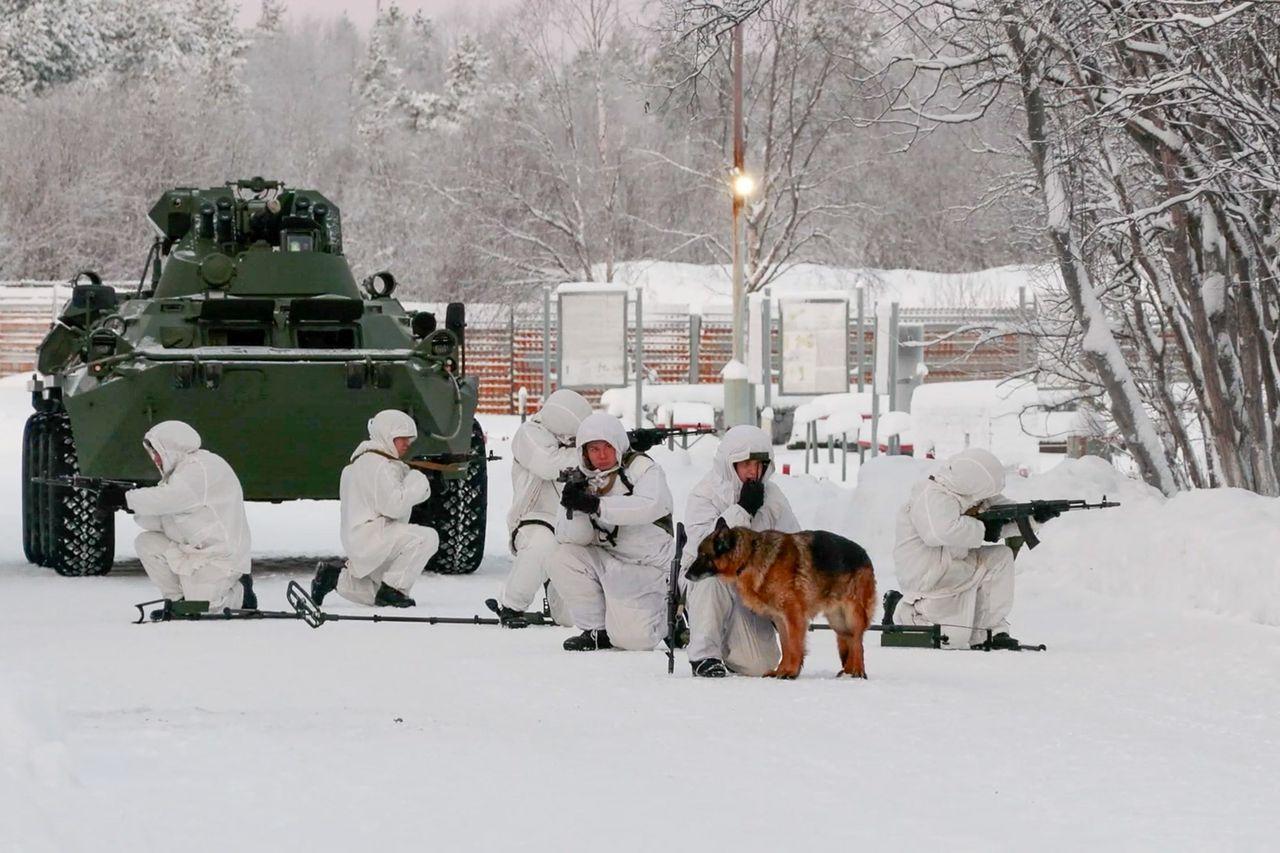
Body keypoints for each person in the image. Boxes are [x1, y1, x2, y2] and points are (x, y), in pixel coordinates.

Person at [885, 448, 1055, 649]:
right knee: (951, 640)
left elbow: (1004, 519)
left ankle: (992, 631)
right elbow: (939, 532)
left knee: (1001, 557)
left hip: (957, 568)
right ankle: (900, 610)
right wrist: (984, 530)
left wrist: (1034, 518)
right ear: (974, 482)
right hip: (928, 580)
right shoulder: (930, 495)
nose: (990, 497)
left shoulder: (978, 495)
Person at [547, 413, 675, 651]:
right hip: (608, 562)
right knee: (561, 557)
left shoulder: (642, 468)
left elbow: (650, 505)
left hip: (648, 569)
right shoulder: (582, 478)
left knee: (634, 640)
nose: (602, 455)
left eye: (608, 446)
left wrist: (597, 506)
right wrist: (573, 507)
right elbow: (570, 537)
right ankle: (597, 630)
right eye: (594, 449)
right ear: (584, 452)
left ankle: (672, 617)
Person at [680, 425, 800, 677]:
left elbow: (793, 543)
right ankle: (703, 655)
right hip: (709, 579)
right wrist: (743, 509)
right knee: (712, 579)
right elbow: (707, 548)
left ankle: (729, 644)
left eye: (758, 465)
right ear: (729, 464)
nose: (752, 472)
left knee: (760, 666)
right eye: (745, 464)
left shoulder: (773, 498)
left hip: (752, 587)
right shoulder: (705, 495)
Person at [311, 410, 438, 608]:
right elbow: (395, 506)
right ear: (386, 434)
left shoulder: (363, 462)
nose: (407, 443)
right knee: (427, 538)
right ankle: (393, 590)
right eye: (402, 438)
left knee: (375, 593)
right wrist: (420, 479)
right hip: (373, 537)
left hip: (359, 539)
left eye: (409, 439)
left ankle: (334, 578)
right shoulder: (379, 465)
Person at [489, 389, 592, 628]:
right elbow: (550, 464)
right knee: (542, 543)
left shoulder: (571, 446)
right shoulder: (529, 434)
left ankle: (554, 591)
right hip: (534, 520)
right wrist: (591, 455)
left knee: (572, 619)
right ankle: (512, 605)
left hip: (572, 527)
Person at [125, 421, 254, 610]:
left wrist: (128, 499)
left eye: (157, 453)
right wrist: (126, 503)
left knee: (205, 607)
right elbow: (162, 519)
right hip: (197, 552)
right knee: (146, 543)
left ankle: (241, 594)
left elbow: (168, 499)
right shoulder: (180, 474)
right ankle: (178, 601)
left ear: (171, 448)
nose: (155, 460)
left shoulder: (201, 467)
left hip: (222, 558)